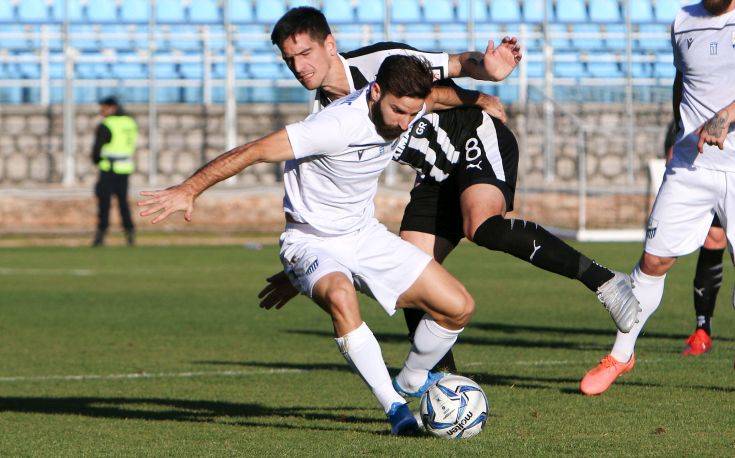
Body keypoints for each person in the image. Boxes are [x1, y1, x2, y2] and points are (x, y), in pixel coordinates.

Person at [259, 7, 641, 364]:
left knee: (483, 227)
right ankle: (442, 386)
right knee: (408, 280)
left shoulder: (378, 63)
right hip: (433, 176)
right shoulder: (323, 117)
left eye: (305, 53)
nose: (299, 66)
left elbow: (455, 64)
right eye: (289, 59)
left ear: (329, 45)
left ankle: (605, 281)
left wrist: (485, 76)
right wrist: (311, 263)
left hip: (471, 135)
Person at [139, 55, 475, 436]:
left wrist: (481, 100)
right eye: (397, 111)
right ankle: (395, 410)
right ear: (375, 91)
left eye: (411, 115)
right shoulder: (333, 125)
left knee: (458, 307)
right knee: (341, 296)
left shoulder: (409, 106)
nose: (403, 123)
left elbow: (439, 98)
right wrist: (189, 189)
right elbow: (252, 151)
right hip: (310, 241)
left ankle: (411, 382)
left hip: (363, 234)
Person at [580, 0, 735, 396]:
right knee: (653, 260)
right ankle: (620, 354)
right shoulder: (682, 20)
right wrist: (676, 135)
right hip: (691, 165)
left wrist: (727, 114)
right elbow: (682, 82)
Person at [664, 120, 726, 356]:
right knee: (713, 237)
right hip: (714, 163)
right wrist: (675, 141)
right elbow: (683, 91)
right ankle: (703, 330)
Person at [91, 96, 138, 247]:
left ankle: (100, 235)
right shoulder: (130, 123)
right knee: (123, 203)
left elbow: (96, 150)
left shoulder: (107, 124)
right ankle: (130, 234)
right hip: (125, 168)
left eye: (103, 107)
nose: (101, 111)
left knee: (104, 203)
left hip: (108, 169)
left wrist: (97, 160)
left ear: (112, 108)